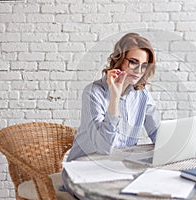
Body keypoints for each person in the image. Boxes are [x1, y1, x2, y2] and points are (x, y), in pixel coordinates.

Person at [61, 33, 161, 195]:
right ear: (119, 59)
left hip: (119, 168)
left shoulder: (142, 94)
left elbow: (156, 132)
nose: (139, 71)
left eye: (144, 65)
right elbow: (104, 146)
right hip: (84, 171)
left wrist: (172, 148)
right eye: (133, 62)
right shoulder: (93, 93)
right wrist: (115, 96)